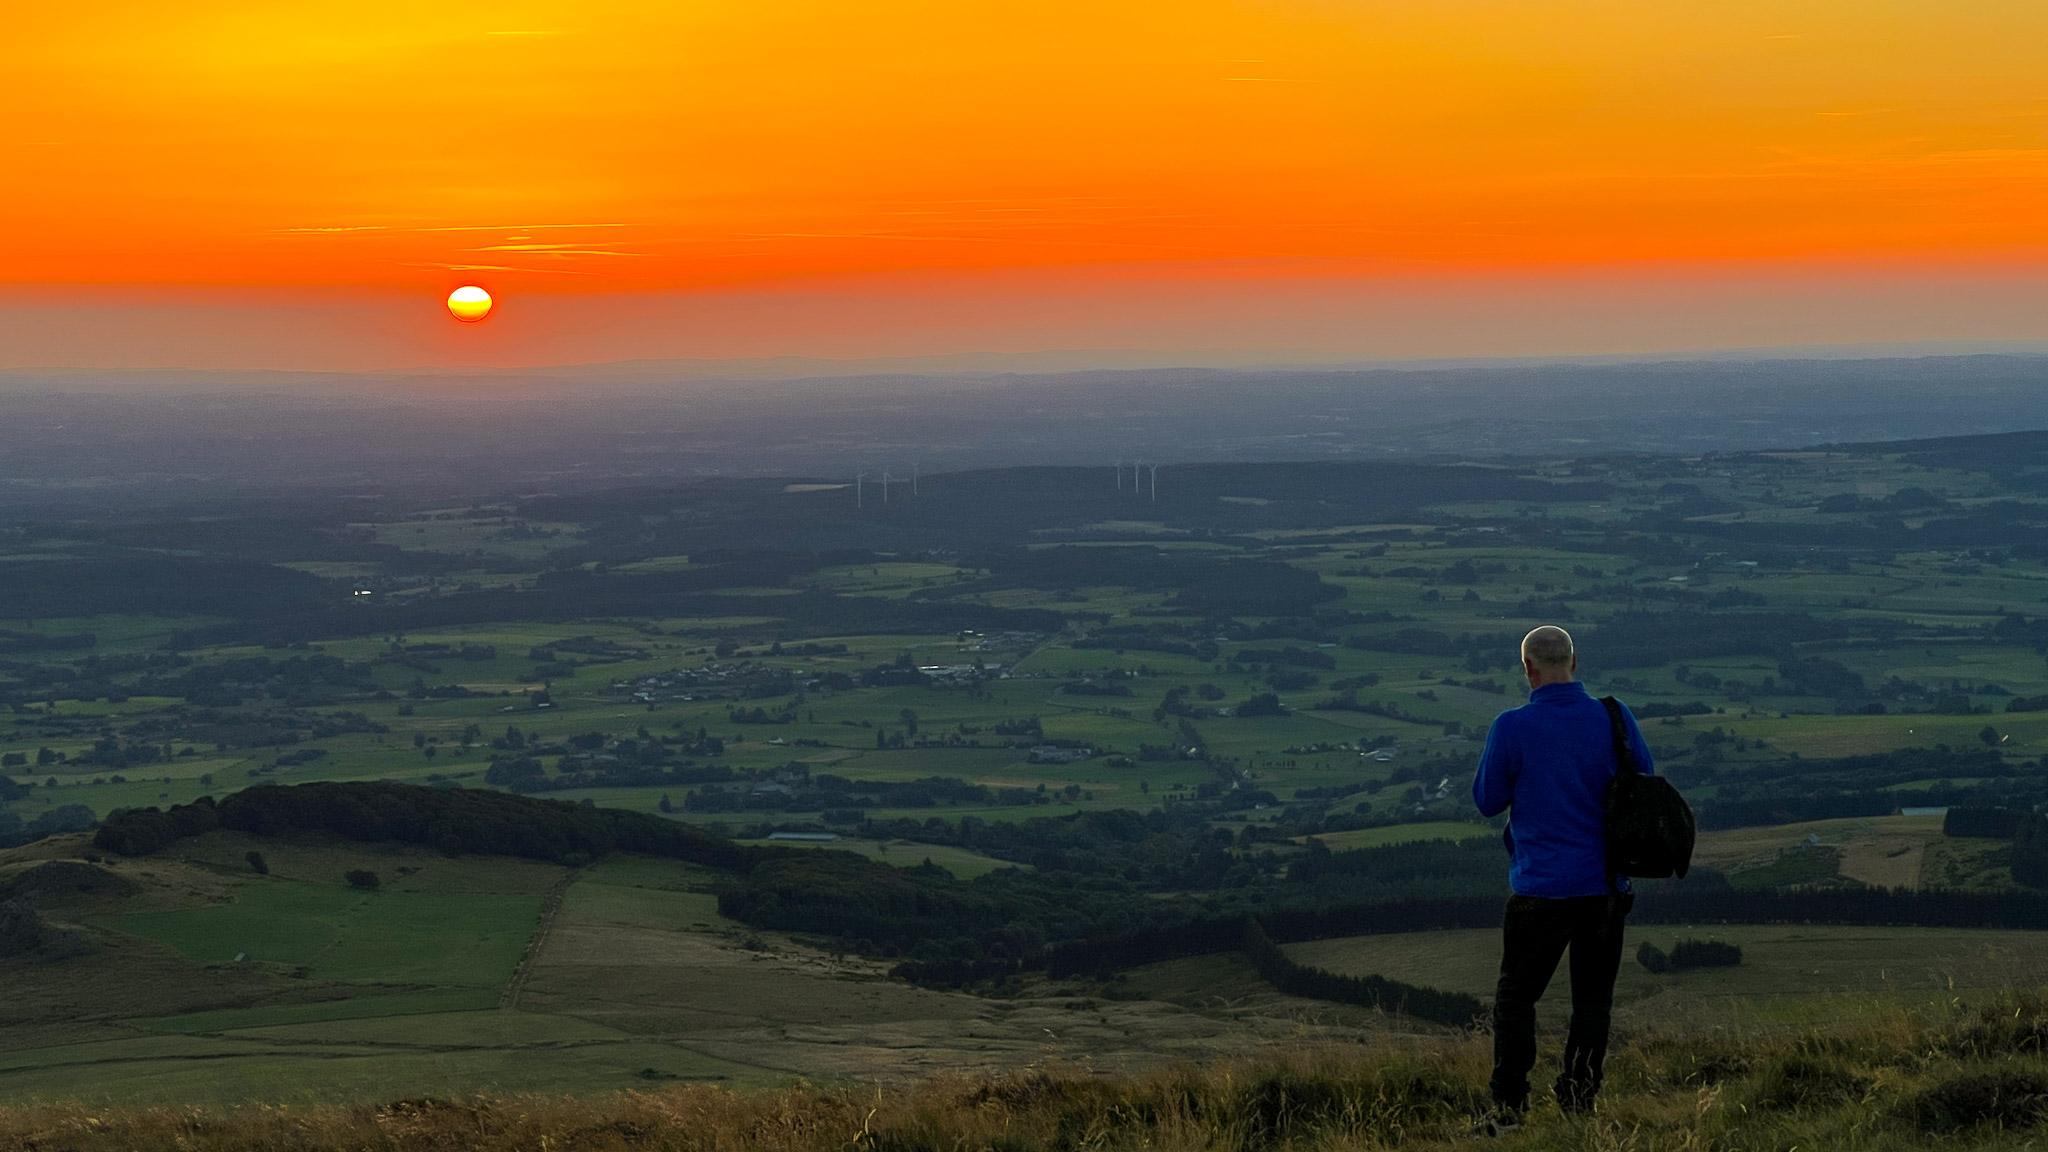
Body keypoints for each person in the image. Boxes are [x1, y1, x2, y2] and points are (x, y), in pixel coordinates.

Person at [1470, 624, 1654, 1128]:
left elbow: (1487, 801)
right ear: (1575, 662)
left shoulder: (1512, 726)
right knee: (1592, 1004)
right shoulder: (1614, 717)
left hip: (1540, 889)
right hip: (1605, 888)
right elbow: (1645, 782)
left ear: (1528, 669)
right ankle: (1578, 1104)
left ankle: (1508, 1110)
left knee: (1515, 1000)